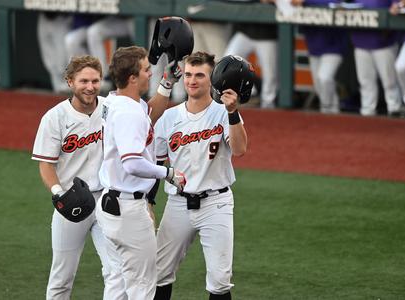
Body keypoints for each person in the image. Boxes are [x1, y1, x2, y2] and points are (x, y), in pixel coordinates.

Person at [153, 52, 248, 300]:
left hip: (216, 203)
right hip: (177, 204)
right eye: (187, 75)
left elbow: (239, 150)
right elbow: (156, 163)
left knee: (219, 280)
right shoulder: (169, 118)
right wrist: (149, 201)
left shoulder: (224, 112)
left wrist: (233, 112)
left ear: (212, 79)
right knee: (159, 273)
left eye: (199, 75)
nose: (192, 81)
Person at [95, 46, 186, 299]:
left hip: (110, 203)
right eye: (147, 70)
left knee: (118, 283)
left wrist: (167, 83)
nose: (150, 74)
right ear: (133, 78)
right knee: (143, 286)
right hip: (128, 209)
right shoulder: (127, 112)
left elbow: (148, 114)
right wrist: (167, 172)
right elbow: (133, 163)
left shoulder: (115, 101)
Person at [31, 55, 122, 299]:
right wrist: (58, 193)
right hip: (71, 203)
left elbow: (146, 117)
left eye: (95, 81)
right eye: (84, 81)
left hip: (106, 200)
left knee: (117, 272)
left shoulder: (110, 109)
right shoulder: (54, 118)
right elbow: (46, 164)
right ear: (70, 82)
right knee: (62, 278)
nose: (90, 87)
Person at [293, 0, 348, 113]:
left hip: (334, 45)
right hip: (314, 45)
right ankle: (333, 109)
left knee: (324, 78)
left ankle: (326, 109)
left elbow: (336, 5)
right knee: (319, 85)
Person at [349, 0, 402, 117]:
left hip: (383, 42)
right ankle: (367, 111)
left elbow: (400, 4)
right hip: (360, 39)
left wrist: (398, 6)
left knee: (389, 81)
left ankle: (394, 110)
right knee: (365, 81)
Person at [224, 0, 278, 108]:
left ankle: (268, 103)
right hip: (245, 31)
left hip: (268, 34)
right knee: (229, 59)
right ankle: (249, 92)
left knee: (270, 73)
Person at [37, 12, 72, 93]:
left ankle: (68, 90)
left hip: (61, 18)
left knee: (62, 58)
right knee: (49, 60)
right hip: (44, 17)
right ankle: (57, 90)